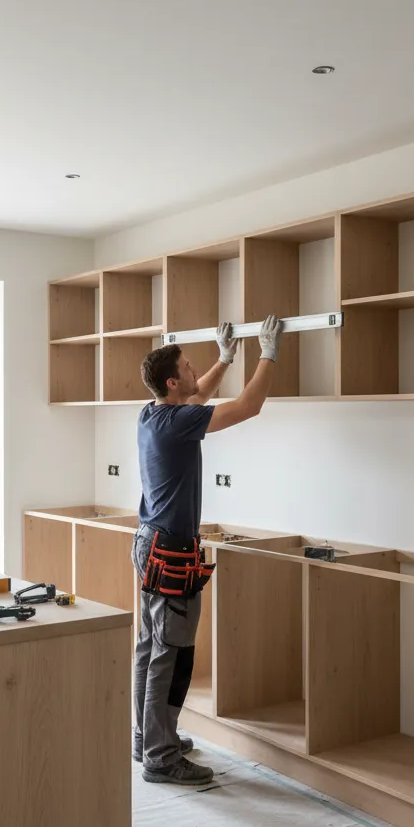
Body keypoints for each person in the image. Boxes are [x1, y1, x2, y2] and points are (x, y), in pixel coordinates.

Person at [131, 314, 283, 784]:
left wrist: (223, 359)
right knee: (169, 654)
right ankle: (161, 755)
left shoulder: (152, 412)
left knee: (149, 647)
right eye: (190, 366)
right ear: (172, 381)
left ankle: (147, 736)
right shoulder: (178, 422)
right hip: (170, 551)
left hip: (151, 543)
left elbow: (197, 396)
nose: (197, 373)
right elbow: (247, 406)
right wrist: (268, 354)